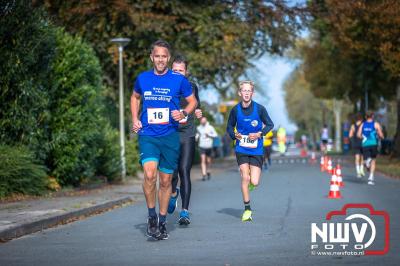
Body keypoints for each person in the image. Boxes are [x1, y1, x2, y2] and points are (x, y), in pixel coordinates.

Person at [131, 40, 197, 240]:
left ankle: (162, 221)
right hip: (148, 134)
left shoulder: (178, 80)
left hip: (169, 136)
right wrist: (135, 119)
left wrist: (184, 112)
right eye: (156, 56)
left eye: (164, 56)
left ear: (168, 58)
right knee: (150, 175)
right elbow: (135, 97)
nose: (160, 60)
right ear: (152, 57)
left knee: (166, 181)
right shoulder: (142, 78)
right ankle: (152, 217)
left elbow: (192, 100)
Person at [226, 80, 274, 222]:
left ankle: (250, 185)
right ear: (240, 93)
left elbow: (270, 124)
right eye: (244, 91)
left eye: (249, 91)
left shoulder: (260, 109)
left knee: (255, 181)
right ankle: (247, 209)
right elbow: (229, 126)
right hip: (241, 147)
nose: (246, 93)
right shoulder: (235, 110)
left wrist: (260, 134)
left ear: (252, 93)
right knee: (245, 178)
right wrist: (234, 135)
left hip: (256, 148)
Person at [167, 55, 202, 225]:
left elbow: (197, 104)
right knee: (172, 170)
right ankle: (173, 192)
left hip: (187, 134)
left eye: (181, 71)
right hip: (170, 134)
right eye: (175, 71)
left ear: (186, 72)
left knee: (184, 170)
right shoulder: (165, 86)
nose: (178, 74)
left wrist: (198, 112)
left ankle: (185, 211)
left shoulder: (192, 87)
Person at [357, 112, 384, 185]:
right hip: (373, 144)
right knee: (373, 161)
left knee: (366, 162)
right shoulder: (376, 124)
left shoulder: (362, 124)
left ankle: (367, 162)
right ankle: (370, 178)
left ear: (366, 117)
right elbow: (380, 134)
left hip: (365, 144)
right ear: (372, 116)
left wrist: (363, 137)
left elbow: (358, 135)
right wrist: (381, 136)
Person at [196, 117, 218, 181]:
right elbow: (197, 135)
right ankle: (204, 174)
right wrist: (196, 138)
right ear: (200, 121)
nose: (203, 122)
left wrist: (209, 135)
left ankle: (208, 171)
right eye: (202, 121)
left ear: (206, 121)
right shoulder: (198, 128)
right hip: (201, 146)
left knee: (208, 161)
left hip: (209, 146)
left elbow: (215, 135)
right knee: (202, 160)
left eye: (204, 121)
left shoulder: (210, 127)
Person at [349, 113, 365, 178]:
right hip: (363, 142)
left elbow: (350, 135)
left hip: (356, 143)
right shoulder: (363, 125)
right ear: (361, 119)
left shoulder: (353, 126)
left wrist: (352, 141)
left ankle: (358, 172)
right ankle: (361, 170)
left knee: (357, 157)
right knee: (363, 157)